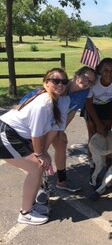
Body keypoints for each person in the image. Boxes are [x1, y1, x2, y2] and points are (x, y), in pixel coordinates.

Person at [0, 68, 70, 225]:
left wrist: (44, 152)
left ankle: (31, 205)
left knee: (39, 166)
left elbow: (54, 129)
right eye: (55, 81)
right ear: (46, 83)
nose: (60, 84)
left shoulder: (63, 101)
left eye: (64, 81)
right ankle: (25, 213)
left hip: (16, 136)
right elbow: (36, 134)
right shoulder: (43, 103)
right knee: (36, 167)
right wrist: (40, 154)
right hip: (5, 133)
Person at [21, 66, 97, 197]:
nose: (86, 83)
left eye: (90, 81)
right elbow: (42, 113)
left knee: (62, 141)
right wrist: (44, 147)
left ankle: (61, 180)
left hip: (52, 122)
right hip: (35, 120)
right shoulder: (61, 88)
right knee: (38, 151)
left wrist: (61, 130)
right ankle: (38, 187)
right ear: (77, 75)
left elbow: (71, 113)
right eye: (85, 77)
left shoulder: (84, 92)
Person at [83, 57, 112, 182]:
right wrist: (98, 123)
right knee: (93, 136)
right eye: (105, 70)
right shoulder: (94, 82)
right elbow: (88, 104)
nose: (109, 74)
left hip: (106, 105)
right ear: (99, 70)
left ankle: (108, 165)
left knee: (106, 135)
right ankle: (92, 165)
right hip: (92, 106)